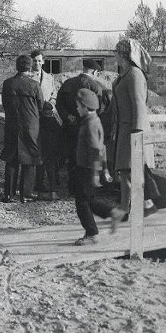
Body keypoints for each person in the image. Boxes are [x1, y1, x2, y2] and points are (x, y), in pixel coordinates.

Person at [72, 88, 125, 245]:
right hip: (86, 167)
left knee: (82, 202)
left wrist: (96, 174)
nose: (77, 108)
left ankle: (92, 234)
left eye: (78, 106)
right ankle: (113, 212)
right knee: (87, 199)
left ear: (86, 106)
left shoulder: (91, 125)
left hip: (88, 168)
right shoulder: (91, 121)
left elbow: (96, 150)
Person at [110, 38, 157, 216]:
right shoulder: (125, 74)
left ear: (123, 54)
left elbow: (138, 104)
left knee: (133, 171)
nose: (114, 54)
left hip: (134, 131)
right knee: (124, 171)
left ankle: (144, 206)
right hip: (124, 130)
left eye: (116, 51)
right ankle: (125, 207)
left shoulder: (134, 74)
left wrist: (137, 133)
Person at [56, 59, 105, 196]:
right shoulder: (96, 87)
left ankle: (72, 188)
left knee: (72, 157)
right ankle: (85, 190)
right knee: (86, 158)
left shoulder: (67, 83)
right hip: (87, 127)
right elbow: (98, 109)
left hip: (70, 127)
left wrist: (67, 116)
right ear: (94, 71)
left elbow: (59, 104)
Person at [0, 55, 44, 203]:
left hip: (12, 125)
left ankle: (8, 194)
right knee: (29, 159)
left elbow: (5, 105)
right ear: (30, 67)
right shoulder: (34, 85)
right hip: (31, 126)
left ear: (17, 67)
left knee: (11, 159)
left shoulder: (7, 84)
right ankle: (25, 194)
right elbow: (41, 106)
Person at [30, 50, 60, 200]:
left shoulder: (49, 78)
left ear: (43, 62)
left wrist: (51, 103)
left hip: (47, 118)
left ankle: (44, 183)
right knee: (37, 150)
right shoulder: (28, 77)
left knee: (48, 151)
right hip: (34, 118)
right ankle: (36, 182)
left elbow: (54, 93)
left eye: (39, 60)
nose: (37, 63)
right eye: (34, 61)